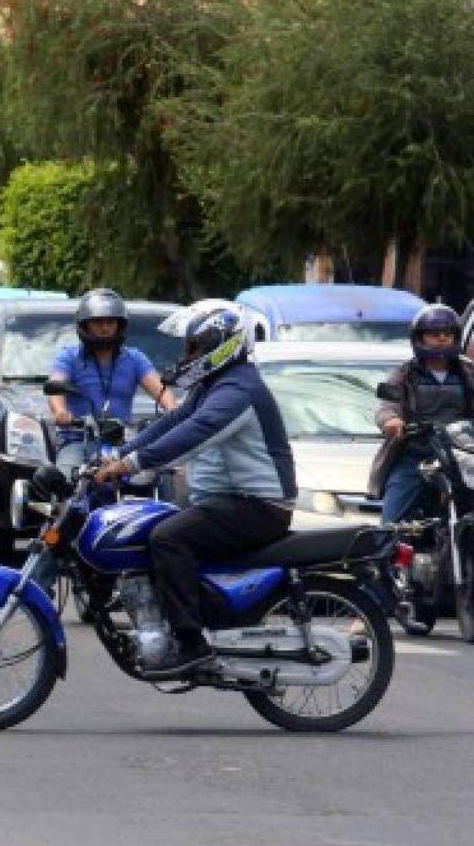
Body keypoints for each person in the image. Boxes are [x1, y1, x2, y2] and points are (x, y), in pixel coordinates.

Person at [93, 305, 296, 676]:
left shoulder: (239, 390)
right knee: (156, 525)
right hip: (230, 501)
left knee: (168, 539)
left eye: (193, 348)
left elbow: (195, 434)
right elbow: (173, 421)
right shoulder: (216, 384)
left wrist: (134, 464)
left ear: (220, 347)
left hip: (259, 505)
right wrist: (115, 455)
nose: (188, 357)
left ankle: (191, 645)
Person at [370, 304, 474, 562]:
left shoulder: (469, 371)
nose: (442, 338)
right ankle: (383, 575)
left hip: (462, 459)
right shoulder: (405, 373)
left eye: (448, 333)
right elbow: (387, 406)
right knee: (392, 520)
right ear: (419, 338)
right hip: (417, 458)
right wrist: (392, 421)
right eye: (434, 333)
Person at [48, 289, 174, 473]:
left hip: (122, 443)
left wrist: (173, 411)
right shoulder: (69, 357)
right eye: (98, 322)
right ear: (85, 325)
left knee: (159, 476)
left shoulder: (135, 358)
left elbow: (160, 389)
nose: (105, 328)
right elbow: (56, 388)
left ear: (120, 325)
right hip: (78, 440)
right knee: (67, 480)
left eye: (110, 322)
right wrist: (60, 412)